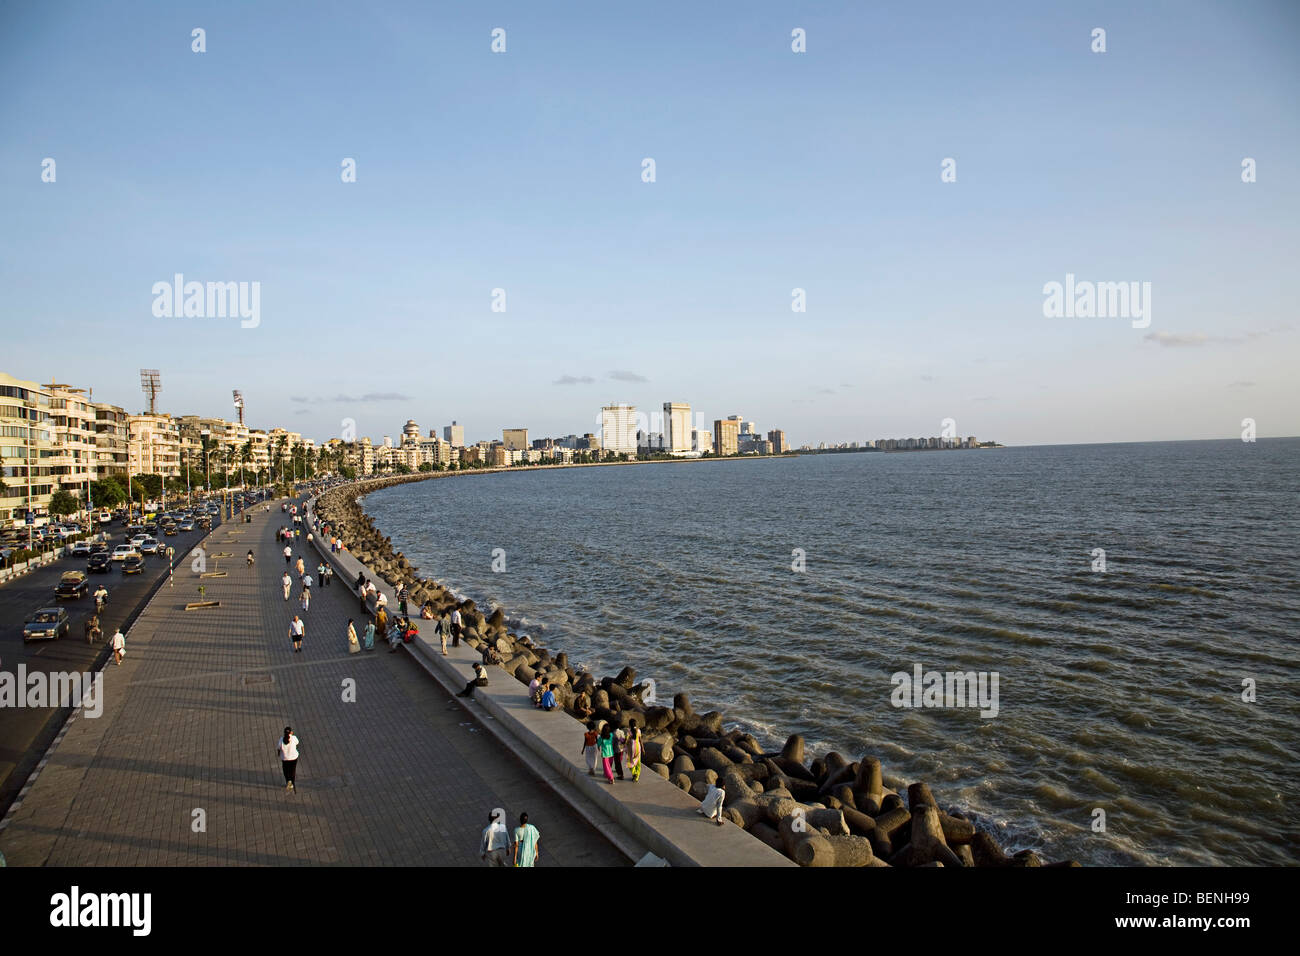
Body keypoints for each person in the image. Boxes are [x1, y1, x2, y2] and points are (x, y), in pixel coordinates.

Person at [277, 726, 299, 792]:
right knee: (293, 770)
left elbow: (278, 748)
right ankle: (292, 782)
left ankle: (288, 781)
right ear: (291, 732)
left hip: (285, 758)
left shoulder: (281, 740)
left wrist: (279, 754)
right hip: (294, 757)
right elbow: (297, 742)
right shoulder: (294, 738)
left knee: (285, 770)